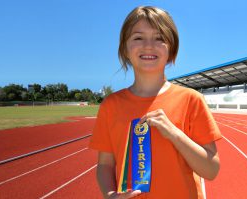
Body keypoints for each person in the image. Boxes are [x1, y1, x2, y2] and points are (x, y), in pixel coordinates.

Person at [89, 6, 222, 199]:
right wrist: (110, 195)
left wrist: (175, 134)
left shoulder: (191, 100)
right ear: (125, 49)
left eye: (159, 38)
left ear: (172, 48)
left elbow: (211, 170)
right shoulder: (111, 105)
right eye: (138, 38)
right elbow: (105, 165)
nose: (148, 45)